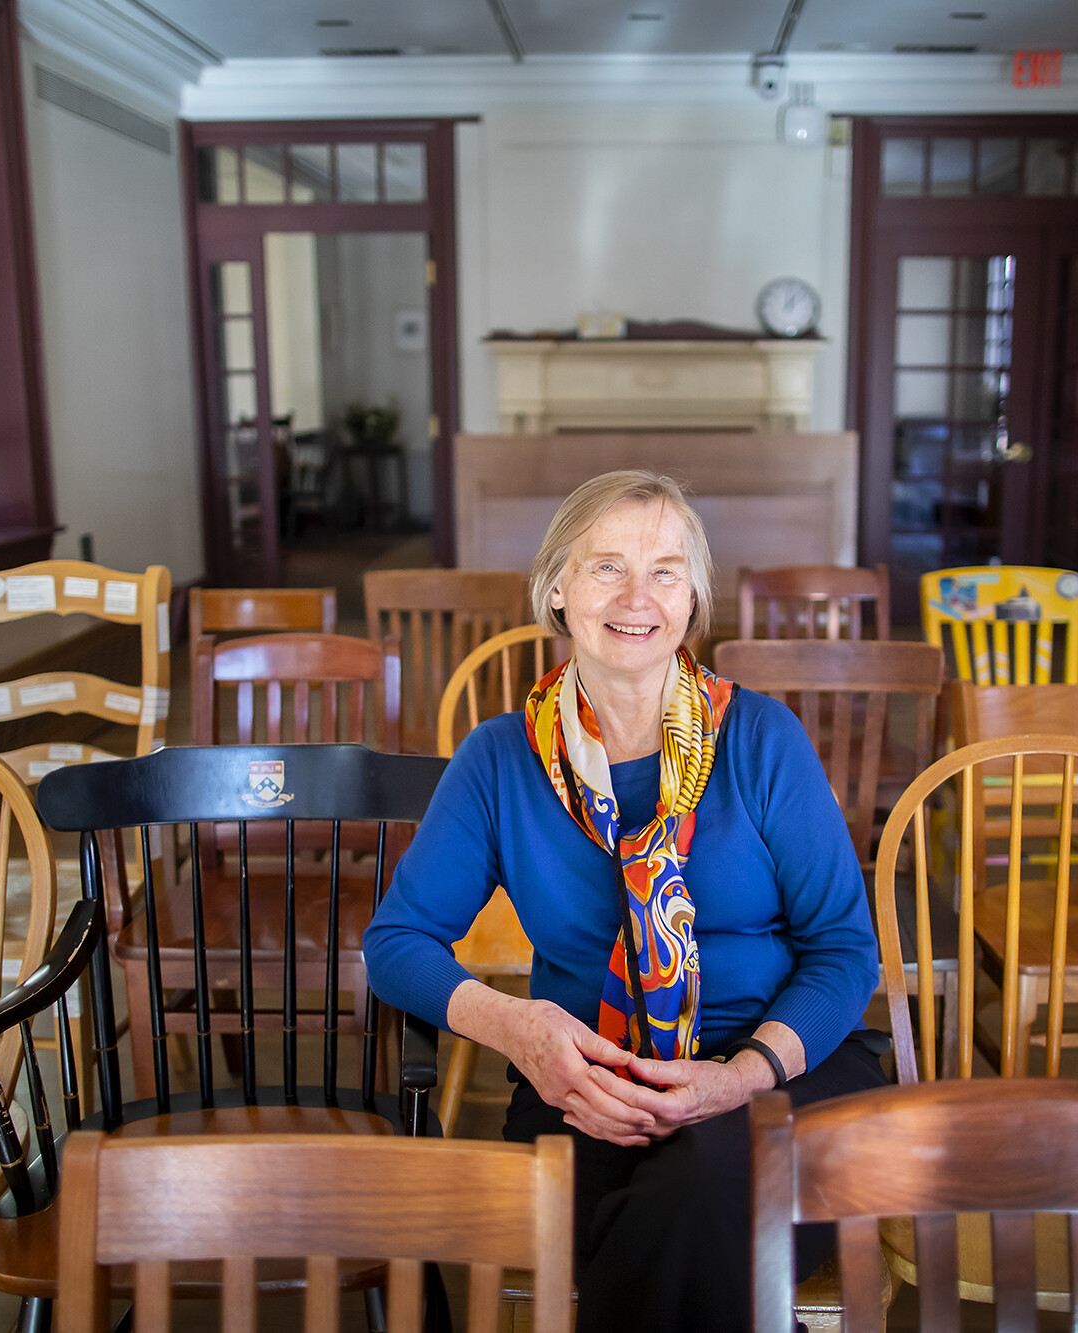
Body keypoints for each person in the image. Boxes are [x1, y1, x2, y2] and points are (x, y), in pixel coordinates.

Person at [363, 469, 884, 1331]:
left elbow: (843, 950)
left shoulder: (759, 738)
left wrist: (737, 1076)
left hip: (784, 1063)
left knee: (696, 1192)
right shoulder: (500, 759)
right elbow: (397, 943)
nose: (637, 596)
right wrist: (519, 1029)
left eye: (665, 571)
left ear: (691, 600)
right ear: (558, 588)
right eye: (606, 567)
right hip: (587, 1079)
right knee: (665, 1226)